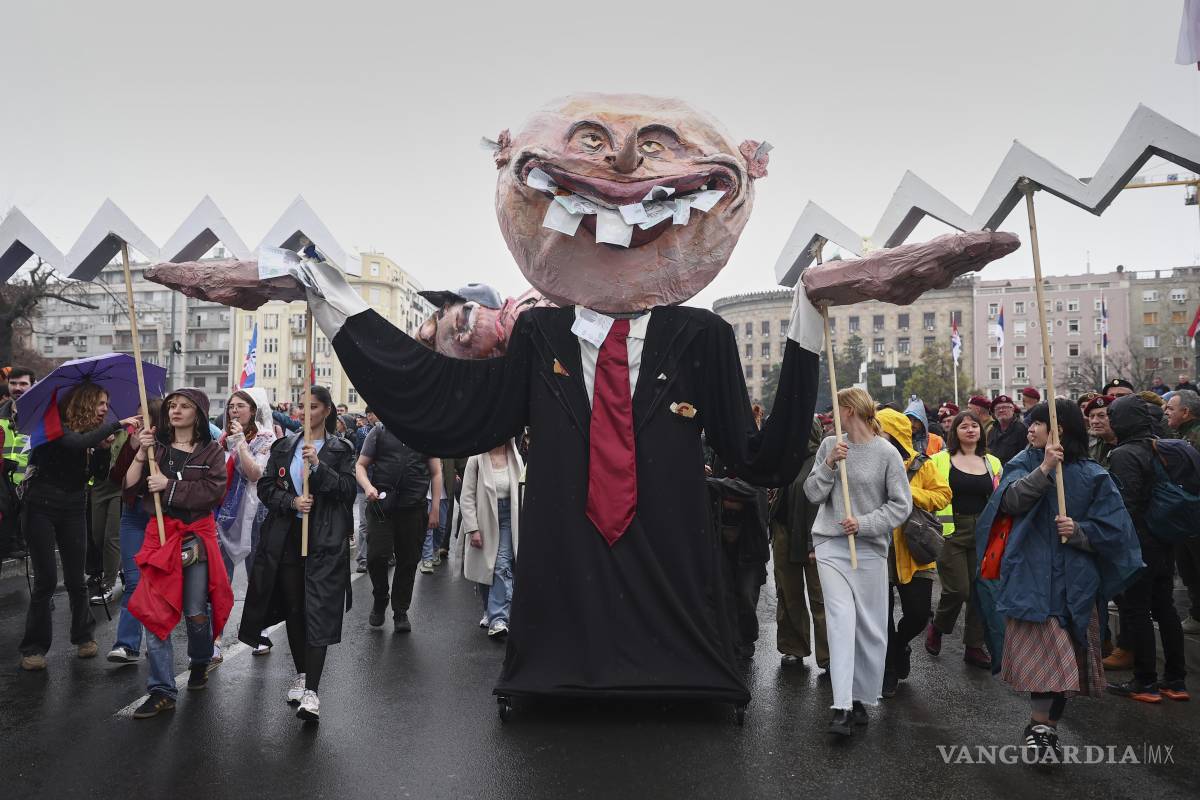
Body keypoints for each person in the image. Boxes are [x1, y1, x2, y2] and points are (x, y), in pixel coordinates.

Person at [974, 399, 1141, 761]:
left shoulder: (1095, 475)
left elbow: (1115, 531)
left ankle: (1043, 727)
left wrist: (1080, 531)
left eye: (1036, 423)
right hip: (1032, 578)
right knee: (1053, 659)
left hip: (1077, 584)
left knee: (1069, 662)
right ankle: (1041, 727)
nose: (1029, 429)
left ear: (1058, 428)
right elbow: (1011, 502)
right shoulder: (1022, 463)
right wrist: (1046, 468)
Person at [239, 386, 356, 722]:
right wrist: (291, 502)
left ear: (327, 410)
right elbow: (265, 487)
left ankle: (312, 692)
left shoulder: (341, 448)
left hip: (324, 541)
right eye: (302, 405)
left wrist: (319, 468)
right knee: (295, 609)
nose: (306, 410)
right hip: (287, 539)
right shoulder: (284, 446)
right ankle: (302, 673)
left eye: (314, 406)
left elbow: (347, 490)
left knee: (316, 611)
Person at [804, 388, 912, 736]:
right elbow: (813, 493)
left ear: (850, 410)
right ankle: (841, 706)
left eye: (837, 407)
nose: (831, 413)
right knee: (840, 618)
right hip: (830, 544)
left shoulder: (886, 453)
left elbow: (900, 505)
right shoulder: (830, 445)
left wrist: (863, 524)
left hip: (868, 549)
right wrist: (829, 463)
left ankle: (861, 697)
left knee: (869, 626)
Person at [124, 388, 232, 718]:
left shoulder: (212, 452)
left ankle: (200, 662)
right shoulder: (156, 449)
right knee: (155, 614)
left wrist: (167, 487)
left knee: (196, 612)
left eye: (184, 406)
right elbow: (128, 487)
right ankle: (161, 690)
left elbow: (213, 492)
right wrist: (141, 455)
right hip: (160, 538)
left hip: (195, 540)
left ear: (197, 413)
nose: (175, 410)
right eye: (172, 406)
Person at [18, 382, 133, 671]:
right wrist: (114, 426)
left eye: (107, 404)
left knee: (76, 579)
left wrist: (104, 451)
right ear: (83, 403)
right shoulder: (55, 425)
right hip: (41, 506)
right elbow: (73, 443)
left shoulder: (92, 437)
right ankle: (33, 648)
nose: (105, 409)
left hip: (73, 507)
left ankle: (84, 637)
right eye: (100, 403)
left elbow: (95, 475)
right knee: (45, 580)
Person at [1105, 395, 1189, 703]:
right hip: (1166, 538)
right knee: (1164, 608)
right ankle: (1176, 680)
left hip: (1139, 542)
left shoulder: (1125, 453)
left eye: (1114, 417)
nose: (1111, 422)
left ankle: (1145, 681)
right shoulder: (1161, 446)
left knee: (1137, 609)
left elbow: (1127, 503)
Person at [878, 407, 951, 698]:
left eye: (879, 429)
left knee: (919, 615)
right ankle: (888, 671)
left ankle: (899, 645)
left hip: (915, 549)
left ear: (893, 433)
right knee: (880, 618)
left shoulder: (923, 464)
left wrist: (908, 493)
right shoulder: (868, 461)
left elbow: (944, 495)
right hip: (879, 550)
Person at [927, 410, 1002, 672]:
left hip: (983, 532)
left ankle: (973, 646)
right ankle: (938, 626)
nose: (970, 430)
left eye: (974, 426)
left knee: (980, 592)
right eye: (964, 427)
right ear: (954, 433)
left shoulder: (992, 462)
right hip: (950, 532)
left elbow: (999, 497)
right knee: (959, 590)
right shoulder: (939, 460)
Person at [355, 418, 442, 632]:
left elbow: (436, 472)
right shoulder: (379, 432)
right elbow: (360, 465)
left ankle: (400, 611)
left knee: (409, 560)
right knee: (376, 556)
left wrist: (436, 509)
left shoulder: (425, 433)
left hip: (414, 508)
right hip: (381, 506)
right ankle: (380, 596)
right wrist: (367, 487)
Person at [216, 388, 277, 655]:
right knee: (219, 576)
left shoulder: (266, 437)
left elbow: (255, 474)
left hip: (257, 511)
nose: (234, 411)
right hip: (227, 512)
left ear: (253, 410)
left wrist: (240, 442)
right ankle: (214, 637)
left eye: (240, 406)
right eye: (231, 406)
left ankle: (260, 630)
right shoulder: (222, 438)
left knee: (257, 573)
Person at [769, 417, 829, 671]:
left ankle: (830, 655)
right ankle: (793, 646)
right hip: (784, 531)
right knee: (788, 592)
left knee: (822, 598)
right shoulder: (785, 460)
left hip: (817, 535)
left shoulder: (823, 460)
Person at [105, 398, 161, 665]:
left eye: (144, 418)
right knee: (134, 580)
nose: (139, 423)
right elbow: (118, 478)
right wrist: (135, 448)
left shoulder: (171, 442)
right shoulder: (133, 441)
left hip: (159, 517)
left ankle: (157, 638)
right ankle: (126, 644)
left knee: (158, 582)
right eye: (137, 418)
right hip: (132, 516)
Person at [461, 440, 523, 637]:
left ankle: (498, 619)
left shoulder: (515, 457)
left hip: (509, 518)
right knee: (485, 566)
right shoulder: (476, 459)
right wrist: (472, 529)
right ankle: (489, 609)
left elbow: (523, 490)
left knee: (501, 564)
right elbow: (467, 496)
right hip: (484, 517)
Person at [1164, 389, 1200, 635]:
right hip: (1185, 516)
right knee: (1188, 567)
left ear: (1186, 412)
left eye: (1171, 409)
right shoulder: (1181, 435)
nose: (1166, 412)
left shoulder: (1195, 438)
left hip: (1193, 514)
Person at [0, 366, 34, 559]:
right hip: (4, 488)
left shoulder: (39, 417)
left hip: (30, 486)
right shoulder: (0, 415)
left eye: (23, 384)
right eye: (13, 383)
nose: (17, 388)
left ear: (32, 385)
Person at [987, 394, 1028, 465]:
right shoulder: (992, 431)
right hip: (995, 472)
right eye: (997, 408)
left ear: (1012, 409)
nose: (1001, 410)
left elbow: (1026, 456)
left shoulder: (1022, 429)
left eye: (1005, 407)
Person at [1084, 396, 1117, 469]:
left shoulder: (1129, 444)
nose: (1094, 421)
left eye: (1101, 416)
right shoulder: (1087, 445)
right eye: (1091, 416)